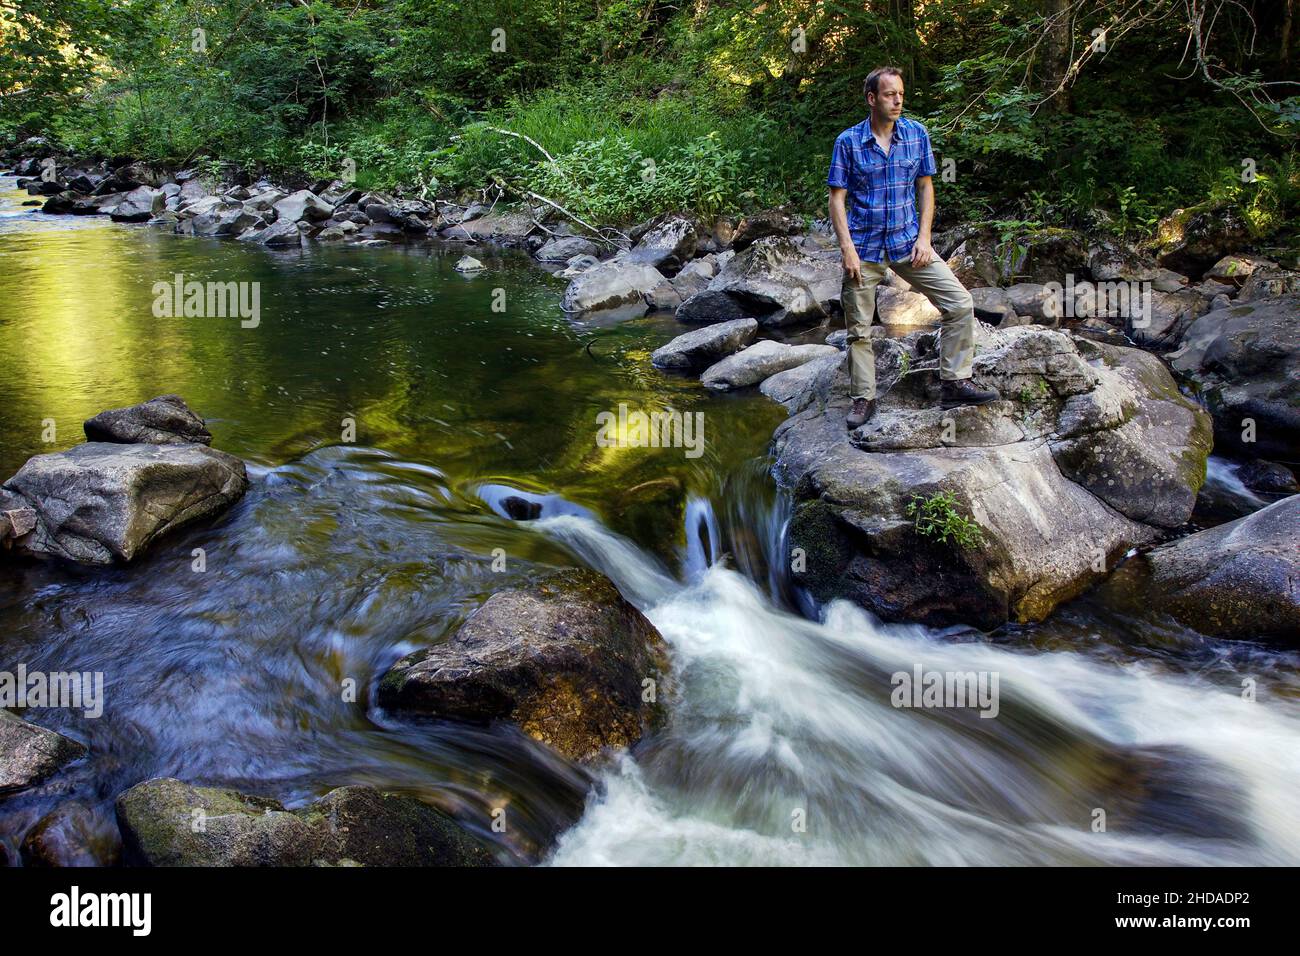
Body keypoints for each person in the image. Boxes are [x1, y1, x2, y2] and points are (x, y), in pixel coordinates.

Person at [827, 66, 998, 429]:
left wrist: (925, 237)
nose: (898, 100)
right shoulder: (849, 142)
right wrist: (847, 248)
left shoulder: (916, 135)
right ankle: (863, 399)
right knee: (859, 330)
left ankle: (955, 382)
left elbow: (925, 187)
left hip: (908, 243)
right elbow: (837, 199)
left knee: (960, 302)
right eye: (890, 94)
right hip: (865, 248)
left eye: (901, 94)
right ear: (872, 99)